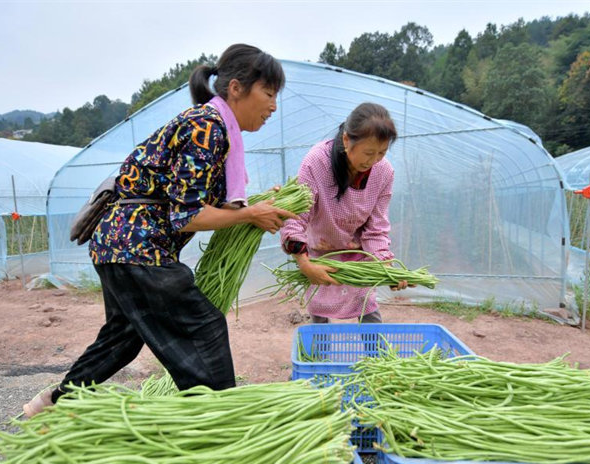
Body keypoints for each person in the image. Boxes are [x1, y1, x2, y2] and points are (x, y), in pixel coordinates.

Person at [23, 44, 296, 417]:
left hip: (119, 244)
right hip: (137, 245)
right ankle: (216, 424)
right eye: (268, 93)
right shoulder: (208, 128)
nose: (273, 107)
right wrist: (250, 216)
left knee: (123, 338)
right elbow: (188, 216)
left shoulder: (215, 128)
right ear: (236, 88)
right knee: (205, 327)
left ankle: (50, 404)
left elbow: (196, 199)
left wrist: (257, 205)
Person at [280, 102, 407, 324]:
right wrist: (305, 264)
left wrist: (387, 270)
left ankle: (375, 359)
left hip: (359, 256)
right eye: (369, 152)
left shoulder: (383, 171)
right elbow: (295, 218)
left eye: (382, 152)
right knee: (319, 316)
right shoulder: (316, 162)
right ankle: (317, 357)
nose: (373, 160)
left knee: (368, 312)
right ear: (347, 140)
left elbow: (376, 229)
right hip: (321, 254)